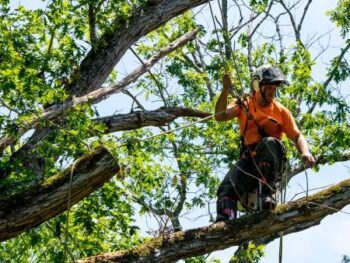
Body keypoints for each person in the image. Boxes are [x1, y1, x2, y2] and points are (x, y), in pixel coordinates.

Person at [215, 64, 316, 222]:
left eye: (274, 88)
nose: (272, 92)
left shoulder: (281, 111)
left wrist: (305, 152)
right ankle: (225, 220)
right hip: (250, 160)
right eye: (269, 87)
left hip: (271, 161)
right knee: (226, 188)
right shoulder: (244, 104)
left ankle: (267, 194)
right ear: (257, 86)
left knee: (268, 143)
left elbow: (297, 136)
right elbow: (219, 116)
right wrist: (225, 89)